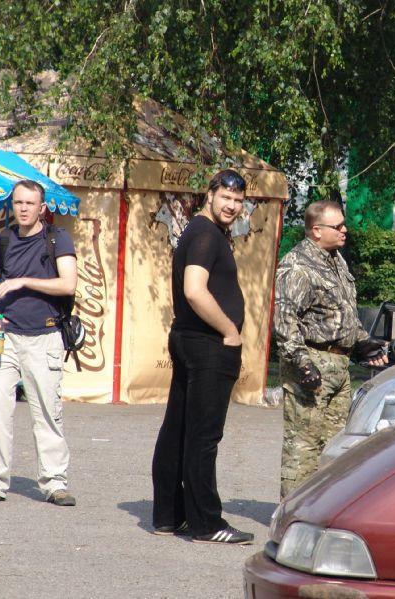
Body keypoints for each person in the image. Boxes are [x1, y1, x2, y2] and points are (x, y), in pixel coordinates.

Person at [151, 169, 254, 545]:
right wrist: (229, 330)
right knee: (202, 436)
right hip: (208, 345)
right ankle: (206, 523)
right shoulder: (206, 234)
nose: (232, 206)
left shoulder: (198, 232)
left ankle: (168, 515)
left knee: (178, 429)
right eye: (225, 197)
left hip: (189, 339)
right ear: (209, 195)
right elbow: (194, 291)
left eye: (238, 200)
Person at [0, 180, 78, 506]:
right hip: (3, 338)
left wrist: (22, 281)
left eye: (30, 203)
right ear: (12, 205)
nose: (24, 208)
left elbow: (68, 284)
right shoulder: (2, 239)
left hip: (44, 338)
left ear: (42, 208)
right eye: (18, 203)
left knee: (47, 414)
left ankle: (55, 483)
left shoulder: (57, 239)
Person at [274, 201, 387, 498]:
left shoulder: (336, 260)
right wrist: (302, 364)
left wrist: (362, 342)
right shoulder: (297, 265)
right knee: (304, 445)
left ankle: (321, 509)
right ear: (316, 231)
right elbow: (285, 321)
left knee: (334, 446)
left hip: (339, 366)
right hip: (311, 363)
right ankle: (293, 511)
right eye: (337, 226)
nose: (344, 230)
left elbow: (343, 311)